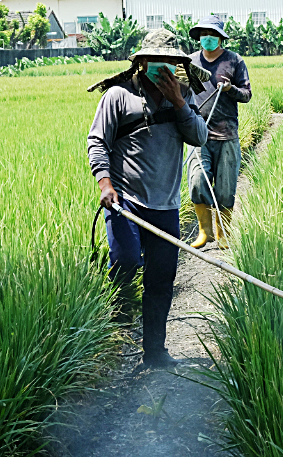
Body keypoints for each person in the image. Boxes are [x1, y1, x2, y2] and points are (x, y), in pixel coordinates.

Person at [87, 30, 210, 368]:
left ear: (177, 65)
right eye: (155, 63)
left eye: (168, 63)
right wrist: (105, 185)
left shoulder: (183, 96)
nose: (162, 69)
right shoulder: (118, 96)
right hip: (124, 200)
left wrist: (180, 102)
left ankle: (155, 352)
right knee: (126, 260)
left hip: (166, 204)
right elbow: (97, 142)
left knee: (161, 280)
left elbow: (200, 137)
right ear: (141, 64)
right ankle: (115, 319)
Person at [187, 15, 253, 249]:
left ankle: (224, 233)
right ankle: (205, 232)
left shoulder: (235, 61)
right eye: (204, 34)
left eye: (212, 34)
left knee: (226, 189)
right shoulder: (190, 62)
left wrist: (229, 89)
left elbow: (246, 94)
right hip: (198, 134)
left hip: (226, 134)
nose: (207, 38)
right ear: (199, 37)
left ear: (220, 38)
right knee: (197, 182)